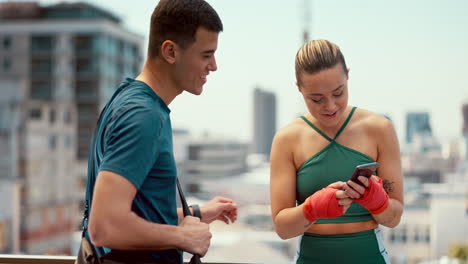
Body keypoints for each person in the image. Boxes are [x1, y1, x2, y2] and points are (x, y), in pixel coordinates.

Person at [83, 0, 238, 263]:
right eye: (206, 54)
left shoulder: (128, 99)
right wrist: (184, 237)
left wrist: (197, 213)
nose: (213, 66)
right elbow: (105, 227)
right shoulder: (144, 116)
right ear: (170, 51)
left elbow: (138, 214)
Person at [270, 39, 403, 264]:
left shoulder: (380, 129)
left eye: (338, 93)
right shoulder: (287, 139)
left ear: (348, 76)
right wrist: (312, 208)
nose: (330, 106)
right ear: (299, 89)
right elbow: (282, 228)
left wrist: (377, 201)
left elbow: (394, 218)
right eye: (316, 98)